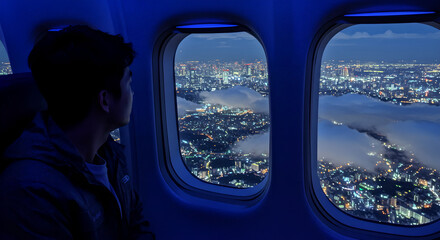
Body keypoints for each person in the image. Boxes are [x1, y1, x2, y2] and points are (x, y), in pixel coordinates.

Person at [0, 25, 154, 239]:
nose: (132, 93)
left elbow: (136, 227)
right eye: (129, 83)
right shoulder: (31, 192)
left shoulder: (109, 153)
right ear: (105, 100)